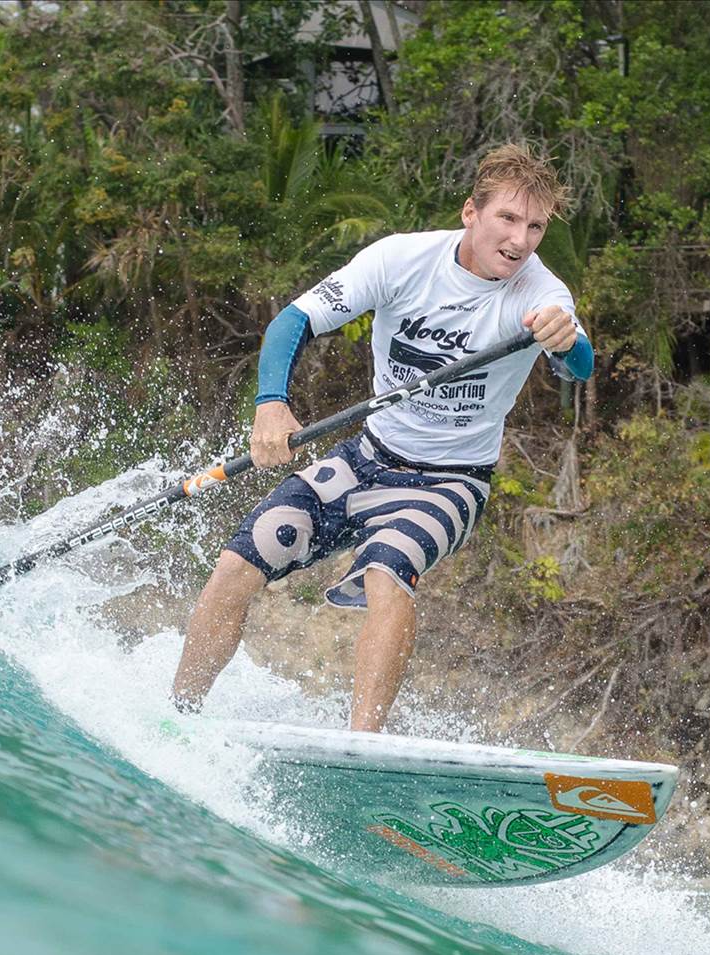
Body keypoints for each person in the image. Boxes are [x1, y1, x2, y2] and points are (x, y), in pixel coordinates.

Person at [172, 145, 595, 730]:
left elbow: (579, 365)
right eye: (508, 218)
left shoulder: (540, 293)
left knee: (386, 569)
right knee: (238, 563)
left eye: (536, 226)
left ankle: (363, 748)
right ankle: (179, 719)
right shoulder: (400, 259)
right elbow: (292, 321)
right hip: (364, 459)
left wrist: (565, 341)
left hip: (449, 484)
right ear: (471, 212)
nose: (521, 240)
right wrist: (271, 405)